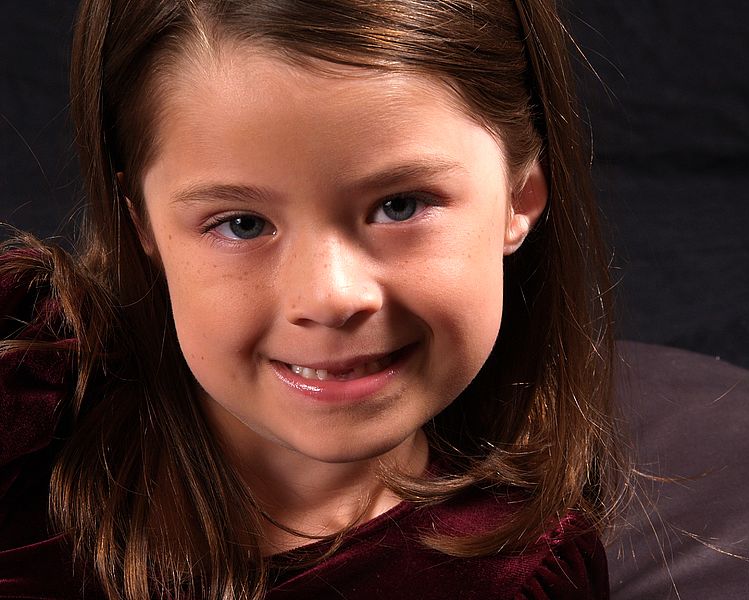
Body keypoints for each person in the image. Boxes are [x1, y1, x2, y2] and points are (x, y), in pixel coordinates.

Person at [0, 0, 627, 597]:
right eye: (241, 223)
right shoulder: (24, 370)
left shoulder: (513, 575)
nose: (330, 297)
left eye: (399, 206)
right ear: (141, 226)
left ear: (519, 198)